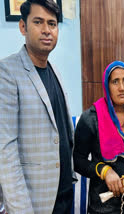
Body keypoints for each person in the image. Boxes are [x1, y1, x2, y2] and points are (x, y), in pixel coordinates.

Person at [0, 0, 76, 213]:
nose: (46, 30)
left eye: (52, 24)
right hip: (34, 202)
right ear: (23, 26)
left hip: (63, 195)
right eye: (38, 22)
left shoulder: (54, 71)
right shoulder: (7, 73)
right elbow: (5, 152)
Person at [73, 61, 124, 214]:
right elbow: (78, 161)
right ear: (106, 85)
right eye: (115, 82)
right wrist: (104, 170)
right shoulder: (91, 119)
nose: (121, 87)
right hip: (104, 206)